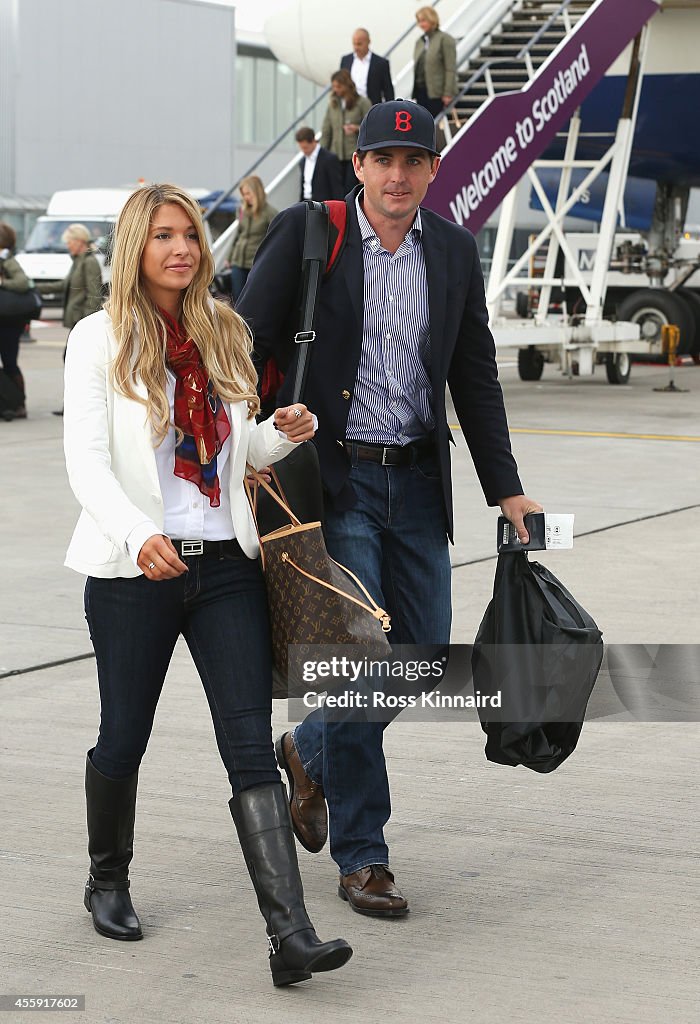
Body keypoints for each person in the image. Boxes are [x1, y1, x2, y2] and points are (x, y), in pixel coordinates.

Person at [236, 101, 541, 918]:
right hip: (334, 483)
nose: (399, 173)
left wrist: (504, 486)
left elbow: (473, 373)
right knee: (367, 659)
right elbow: (241, 346)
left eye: (415, 159)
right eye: (385, 158)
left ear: (434, 170)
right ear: (358, 163)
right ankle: (364, 856)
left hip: (416, 486)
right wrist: (243, 447)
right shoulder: (311, 235)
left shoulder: (452, 250)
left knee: (425, 653)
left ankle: (306, 753)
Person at [62, 183, 352, 986]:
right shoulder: (99, 339)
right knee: (124, 737)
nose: (182, 248)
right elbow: (87, 461)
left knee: (250, 745)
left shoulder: (221, 328)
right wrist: (138, 533)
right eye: (162, 236)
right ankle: (107, 879)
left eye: (189, 233)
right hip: (135, 568)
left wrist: (275, 435)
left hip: (225, 564)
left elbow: (231, 453)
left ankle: (290, 938)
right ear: (135, 247)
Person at [49, 223, 104, 416]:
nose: (68, 246)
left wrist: (89, 326)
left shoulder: (88, 262)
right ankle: (72, 404)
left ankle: (77, 404)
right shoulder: (78, 261)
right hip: (77, 322)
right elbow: (65, 285)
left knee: (74, 360)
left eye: (69, 242)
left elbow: (94, 294)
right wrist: (35, 288)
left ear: (79, 241)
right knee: (71, 360)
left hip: (83, 322)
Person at [320, 70, 372, 194]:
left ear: (346, 85)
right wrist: (322, 154)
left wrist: (356, 128)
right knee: (336, 191)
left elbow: (371, 127)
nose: (335, 89)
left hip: (354, 155)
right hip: (335, 155)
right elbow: (326, 130)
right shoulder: (333, 104)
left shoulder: (362, 103)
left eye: (338, 86)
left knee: (350, 189)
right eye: (333, 86)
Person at [0, 221, 32, 420]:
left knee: (10, 363)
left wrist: (3, 281)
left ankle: (19, 403)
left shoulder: (8, 259)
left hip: (8, 323)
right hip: (4, 320)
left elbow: (23, 282)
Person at [227, 176, 277, 301]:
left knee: (253, 299)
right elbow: (237, 235)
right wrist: (229, 257)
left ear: (257, 192)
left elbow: (276, 240)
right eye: (244, 194)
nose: (245, 197)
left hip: (256, 263)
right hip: (238, 262)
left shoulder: (270, 213)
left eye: (248, 194)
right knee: (237, 299)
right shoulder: (241, 210)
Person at [412, 6, 457, 117]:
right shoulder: (420, 41)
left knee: (435, 123)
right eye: (419, 21)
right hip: (421, 91)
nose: (421, 24)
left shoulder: (444, 39)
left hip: (437, 93)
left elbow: (450, 68)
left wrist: (447, 93)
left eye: (423, 20)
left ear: (432, 20)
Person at [340, 28, 394, 105]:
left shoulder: (380, 63)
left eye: (359, 44)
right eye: (354, 44)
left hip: (371, 108)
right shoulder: (346, 60)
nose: (356, 47)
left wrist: (389, 109)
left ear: (368, 42)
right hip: (350, 108)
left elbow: (388, 90)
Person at [295, 127, 345, 202]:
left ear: (313, 141)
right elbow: (304, 187)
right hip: (306, 204)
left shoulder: (329, 159)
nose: (303, 151)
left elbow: (337, 188)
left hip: (324, 207)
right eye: (301, 148)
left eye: (305, 148)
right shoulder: (303, 162)